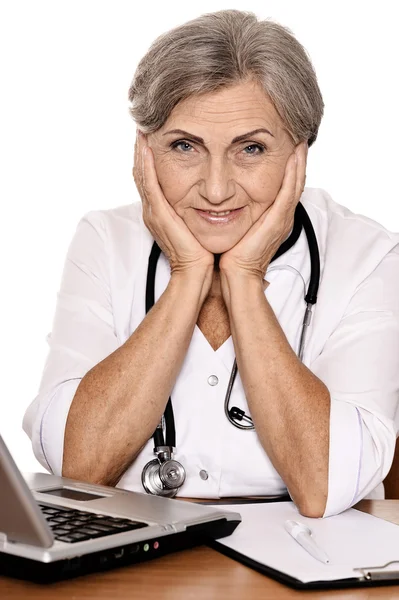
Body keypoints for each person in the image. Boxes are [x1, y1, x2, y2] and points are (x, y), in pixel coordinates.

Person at [23, 9, 399, 518]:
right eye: (184, 146)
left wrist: (243, 278)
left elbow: (323, 486)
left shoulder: (368, 256)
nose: (217, 189)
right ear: (144, 153)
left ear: (299, 154)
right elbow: (78, 468)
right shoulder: (106, 241)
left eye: (251, 148)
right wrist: (188, 274)